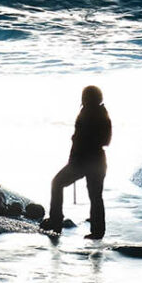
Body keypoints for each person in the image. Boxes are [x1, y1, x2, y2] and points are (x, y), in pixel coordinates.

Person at [44, 84, 111, 238]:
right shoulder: (102, 113)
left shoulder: (88, 113)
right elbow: (105, 141)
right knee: (96, 196)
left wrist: (77, 144)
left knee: (57, 183)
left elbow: (86, 140)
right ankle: (98, 231)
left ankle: (56, 222)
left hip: (83, 161)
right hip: (98, 160)